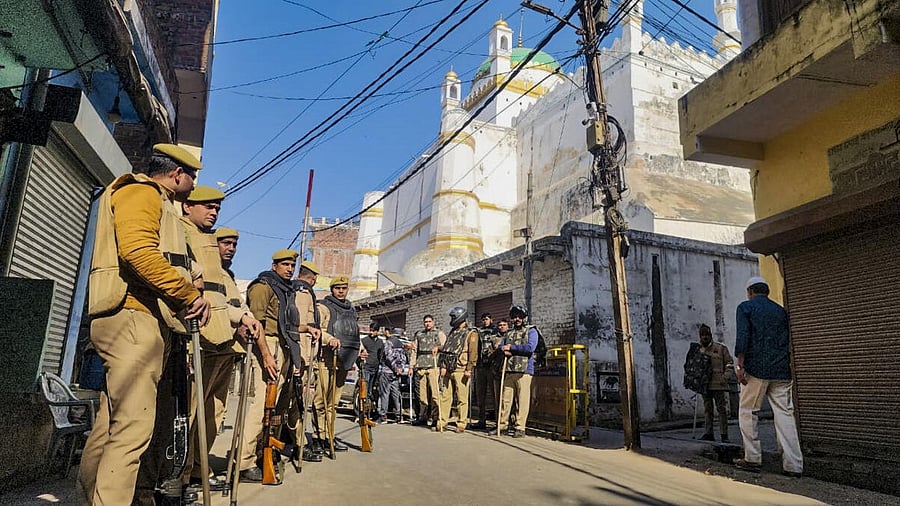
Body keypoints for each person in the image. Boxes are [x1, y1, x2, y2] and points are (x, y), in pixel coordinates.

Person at [76, 144, 211, 505]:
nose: (195, 183)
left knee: (111, 426)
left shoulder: (162, 204)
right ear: (177, 174)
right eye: (192, 176)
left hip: (138, 321)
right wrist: (188, 295)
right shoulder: (143, 192)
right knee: (133, 429)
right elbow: (137, 252)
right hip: (132, 319)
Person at [179, 188, 274, 490]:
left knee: (213, 413)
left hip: (224, 348)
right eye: (225, 243)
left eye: (234, 244)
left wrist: (245, 321)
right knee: (191, 412)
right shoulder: (194, 251)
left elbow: (235, 306)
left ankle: (197, 468)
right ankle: (180, 473)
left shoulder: (226, 275)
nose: (230, 248)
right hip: (200, 344)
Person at [240, 249, 302, 482]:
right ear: (274, 265)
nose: (289, 269)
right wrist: (266, 355)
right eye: (284, 264)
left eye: (291, 265)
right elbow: (256, 326)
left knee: (273, 408)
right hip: (268, 345)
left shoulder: (286, 290)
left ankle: (260, 453)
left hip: (282, 347)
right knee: (261, 407)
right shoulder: (263, 286)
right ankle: (244, 460)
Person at [733, 276, 804, 477]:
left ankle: (752, 458)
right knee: (785, 415)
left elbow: (743, 336)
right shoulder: (781, 311)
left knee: (748, 410)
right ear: (767, 292)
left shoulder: (745, 307)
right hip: (781, 370)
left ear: (750, 292)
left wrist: (740, 364)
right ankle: (794, 465)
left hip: (756, 369)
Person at [314, 275, 361, 454]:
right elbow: (319, 330)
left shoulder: (351, 309)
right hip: (326, 359)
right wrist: (329, 339)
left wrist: (360, 349)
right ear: (332, 289)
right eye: (337, 288)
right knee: (321, 401)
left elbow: (353, 333)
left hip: (343, 360)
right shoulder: (324, 307)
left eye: (344, 288)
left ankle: (329, 436)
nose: (341, 291)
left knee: (333, 403)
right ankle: (318, 437)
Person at [292, 260, 330, 462]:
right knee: (296, 404)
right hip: (300, 356)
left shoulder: (308, 294)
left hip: (306, 356)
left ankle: (297, 441)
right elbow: (296, 327)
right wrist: (300, 360)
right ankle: (298, 443)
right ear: (313, 278)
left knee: (299, 404)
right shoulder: (301, 293)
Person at [497, 305, 539, 438]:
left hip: (524, 371)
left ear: (524, 317)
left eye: (519, 316)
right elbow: (501, 346)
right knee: (505, 400)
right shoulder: (509, 333)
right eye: (514, 316)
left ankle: (520, 427)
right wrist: (504, 349)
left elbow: (530, 347)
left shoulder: (531, 331)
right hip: (509, 369)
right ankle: (502, 426)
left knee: (522, 400)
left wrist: (512, 348)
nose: (517, 319)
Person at [438, 308, 479, 433]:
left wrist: (469, 368)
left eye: (453, 317)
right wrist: (443, 366)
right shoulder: (453, 332)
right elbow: (447, 350)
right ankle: (442, 421)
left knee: (462, 398)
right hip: (448, 368)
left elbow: (473, 352)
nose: (452, 320)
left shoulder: (471, 333)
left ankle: (461, 423)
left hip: (461, 369)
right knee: (445, 396)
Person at [697, 323, 734, 443]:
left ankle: (724, 434)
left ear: (711, 335)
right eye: (702, 335)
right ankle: (709, 433)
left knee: (721, 410)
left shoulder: (720, 348)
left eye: (707, 334)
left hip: (719, 384)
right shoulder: (698, 350)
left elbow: (729, 363)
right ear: (700, 337)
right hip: (705, 385)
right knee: (708, 410)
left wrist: (725, 377)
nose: (705, 337)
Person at [409, 315, 446, 428]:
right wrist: (411, 366)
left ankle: (435, 418)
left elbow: (445, 347)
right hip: (421, 366)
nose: (427, 324)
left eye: (429, 321)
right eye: (426, 322)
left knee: (435, 394)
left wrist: (438, 349)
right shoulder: (419, 335)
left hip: (434, 366)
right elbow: (415, 351)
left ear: (433, 322)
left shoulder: (439, 333)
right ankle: (422, 416)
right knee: (422, 395)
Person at [472, 313, 500, 430]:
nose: (485, 321)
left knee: (495, 394)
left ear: (491, 320)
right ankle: (481, 419)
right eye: (483, 319)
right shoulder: (478, 331)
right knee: (480, 394)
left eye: (487, 319)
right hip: (480, 366)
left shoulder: (496, 331)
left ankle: (498, 421)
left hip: (492, 366)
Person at [379, 328, 409, 423]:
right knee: (396, 394)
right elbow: (403, 357)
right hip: (396, 373)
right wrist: (400, 368)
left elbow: (389, 356)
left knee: (385, 394)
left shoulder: (388, 343)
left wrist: (395, 367)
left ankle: (383, 416)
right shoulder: (401, 344)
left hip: (387, 372)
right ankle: (399, 416)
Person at [360, 322, 385, 418]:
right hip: (366, 368)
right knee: (365, 390)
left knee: (372, 391)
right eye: (370, 330)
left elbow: (382, 355)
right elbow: (360, 352)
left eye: (373, 331)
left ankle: (371, 411)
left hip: (376, 369)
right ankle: (363, 413)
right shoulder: (364, 340)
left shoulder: (380, 342)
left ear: (377, 331)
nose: (371, 332)